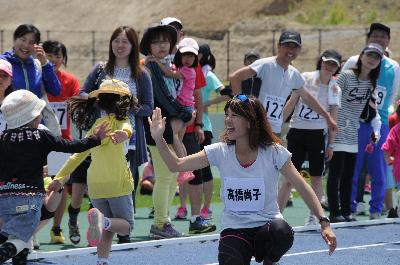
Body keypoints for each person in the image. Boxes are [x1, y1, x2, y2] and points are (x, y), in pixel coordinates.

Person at [148, 96, 336, 265]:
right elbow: (177, 165)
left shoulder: (273, 152)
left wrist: (324, 223)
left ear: (250, 121)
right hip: (235, 229)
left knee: (283, 232)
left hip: (267, 226)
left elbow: (302, 186)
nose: (228, 119)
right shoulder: (219, 151)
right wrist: (158, 138)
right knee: (231, 259)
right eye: (227, 114)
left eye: (235, 115)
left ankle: (270, 262)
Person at [0, 89, 108, 264]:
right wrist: (95, 139)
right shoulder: (40, 135)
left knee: (18, 233)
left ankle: (19, 259)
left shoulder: (3, 137)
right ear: (33, 117)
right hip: (29, 198)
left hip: (4, 198)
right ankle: (5, 252)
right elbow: (71, 146)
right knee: (20, 237)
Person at [49, 79, 137, 265]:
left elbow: (77, 155)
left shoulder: (97, 125)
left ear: (101, 102)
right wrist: (125, 135)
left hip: (95, 184)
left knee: (105, 230)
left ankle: (101, 261)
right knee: (126, 227)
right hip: (117, 182)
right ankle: (103, 221)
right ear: (124, 102)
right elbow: (127, 129)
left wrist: (59, 178)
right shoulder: (123, 121)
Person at [81, 26, 153, 243]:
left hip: (128, 138)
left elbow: (149, 106)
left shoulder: (141, 74)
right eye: (116, 41)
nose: (120, 46)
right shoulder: (100, 69)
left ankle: (124, 231)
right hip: (101, 136)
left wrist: (127, 106)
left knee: (126, 182)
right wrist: (99, 100)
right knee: (100, 179)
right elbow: (83, 93)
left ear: (133, 46)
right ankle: (100, 227)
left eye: (125, 42)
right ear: (111, 43)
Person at [229, 30, 337, 137]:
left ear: (299, 50)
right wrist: (243, 103)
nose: (291, 50)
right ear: (278, 46)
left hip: (275, 129)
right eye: (287, 45)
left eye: (295, 47)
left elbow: (308, 98)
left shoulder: (294, 74)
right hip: (254, 126)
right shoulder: (265, 64)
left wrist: (328, 118)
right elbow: (235, 78)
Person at [342, 23, 400, 219]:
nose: (379, 39)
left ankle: (376, 209)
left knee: (378, 168)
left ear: (389, 41)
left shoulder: (394, 67)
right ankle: (348, 207)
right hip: (353, 123)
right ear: (368, 39)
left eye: (384, 37)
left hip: (380, 123)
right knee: (353, 166)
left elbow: (391, 96)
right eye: (375, 36)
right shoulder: (352, 61)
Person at [278, 50, 342, 225]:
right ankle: (277, 216)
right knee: (289, 177)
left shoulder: (335, 88)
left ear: (337, 68)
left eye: (333, 65)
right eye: (327, 62)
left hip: (317, 135)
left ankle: (315, 216)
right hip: (297, 131)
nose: (329, 67)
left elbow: (333, 117)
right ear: (321, 62)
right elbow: (291, 102)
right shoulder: (305, 77)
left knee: (316, 177)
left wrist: (331, 144)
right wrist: (277, 125)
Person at [327, 43, 383, 223]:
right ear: (361, 57)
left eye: (376, 57)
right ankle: (334, 212)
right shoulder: (346, 75)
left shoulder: (371, 83)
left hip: (353, 132)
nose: (372, 60)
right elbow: (332, 99)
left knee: (348, 175)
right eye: (369, 55)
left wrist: (376, 131)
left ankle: (346, 211)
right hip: (337, 130)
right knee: (335, 173)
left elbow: (372, 111)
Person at [140, 23, 186, 239]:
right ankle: (160, 223)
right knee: (166, 176)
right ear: (148, 46)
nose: (162, 45)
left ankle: (163, 221)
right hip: (159, 124)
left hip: (166, 124)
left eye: (165, 41)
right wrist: (184, 113)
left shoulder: (165, 64)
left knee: (171, 175)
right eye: (156, 42)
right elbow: (162, 99)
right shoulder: (151, 67)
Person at [41, 40, 81, 246]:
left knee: (61, 185)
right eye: (49, 55)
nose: (53, 59)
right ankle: (31, 230)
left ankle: (57, 228)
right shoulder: (36, 77)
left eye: (58, 56)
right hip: (38, 140)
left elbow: (78, 106)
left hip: (61, 142)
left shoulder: (71, 81)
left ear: (64, 59)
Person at [146, 37, 199, 185]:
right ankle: (184, 170)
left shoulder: (188, 71)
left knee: (173, 136)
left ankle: (185, 170)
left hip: (184, 109)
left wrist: (156, 62)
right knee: (178, 140)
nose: (187, 59)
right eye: (185, 55)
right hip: (183, 108)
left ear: (195, 58)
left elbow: (170, 74)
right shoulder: (181, 67)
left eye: (191, 56)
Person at [198, 43, 229, 219]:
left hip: (204, 125)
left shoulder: (208, 75)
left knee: (204, 169)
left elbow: (227, 93)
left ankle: (206, 208)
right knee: (187, 170)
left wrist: (207, 104)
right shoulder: (187, 72)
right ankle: (183, 207)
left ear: (201, 56)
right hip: (187, 124)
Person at [0, 24, 60, 98]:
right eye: (23, 40)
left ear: (37, 46)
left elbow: (56, 91)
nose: (26, 45)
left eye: (31, 42)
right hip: (8, 109)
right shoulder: (2, 63)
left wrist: (45, 63)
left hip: (35, 109)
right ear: (14, 40)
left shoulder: (38, 66)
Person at [382, 99, 400, 218]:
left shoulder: (396, 129)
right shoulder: (396, 129)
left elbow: (387, 148)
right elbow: (387, 147)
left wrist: (388, 159)